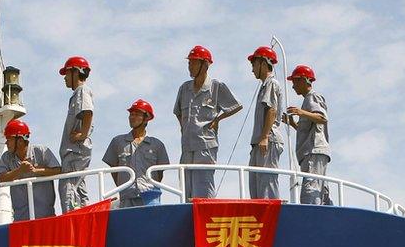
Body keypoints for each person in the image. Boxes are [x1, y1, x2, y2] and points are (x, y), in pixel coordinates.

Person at [173, 45, 243, 199]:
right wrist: (184, 129)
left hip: (205, 145)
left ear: (205, 65)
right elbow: (178, 112)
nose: (190, 66)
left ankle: (206, 217)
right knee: (186, 190)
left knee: (203, 188)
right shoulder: (184, 88)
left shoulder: (216, 87)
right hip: (187, 147)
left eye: (193, 63)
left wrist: (218, 119)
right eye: (189, 63)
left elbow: (236, 105)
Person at [103, 99, 171, 207]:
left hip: (150, 198)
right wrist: (125, 187)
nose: (132, 117)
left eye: (136, 114)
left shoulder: (157, 145)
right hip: (126, 198)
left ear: (146, 118)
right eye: (131, 114)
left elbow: (159, 173)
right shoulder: (117, 142)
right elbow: (114, 169)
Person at [0, 119, 62, 220]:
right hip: (21, 220)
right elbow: (1, 178)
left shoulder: (41, 151)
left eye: (9, 139)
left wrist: (36, 171)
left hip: (46, 218)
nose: (6, 143)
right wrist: (20, 170)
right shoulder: (6, 157)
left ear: (20, 140)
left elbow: (58, 170)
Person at [284, 65, 331, 205]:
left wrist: (301, 112)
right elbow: (307, 129)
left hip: (314, 151)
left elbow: (322, 118)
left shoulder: (313, 97)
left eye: (295, 81)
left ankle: (311, 219)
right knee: (320, 190)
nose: (293, 86)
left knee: (311, 191)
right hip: (311, 153)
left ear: (305, 80)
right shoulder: (307, 101)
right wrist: (292, 123)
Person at [57, 55, 95, 213]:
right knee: (78, 192)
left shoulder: (82, 91)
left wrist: (83, 134)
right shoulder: (79, 92)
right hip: (75, 154)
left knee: (69, 191)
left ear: (75, 72)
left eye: (66, 73)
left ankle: (73, 225)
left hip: (74, 153)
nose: (65, 78)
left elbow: (87, 112)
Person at [247, 46, 285, 199]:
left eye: (254, 64)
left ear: (264, 63)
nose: (252, 69)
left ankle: (271, 219)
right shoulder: (265, 86)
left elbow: (272, 110)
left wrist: (264, 137)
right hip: (259, 141)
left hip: (267, 140)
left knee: (266, 185)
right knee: (256, 186)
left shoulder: (272, 83)